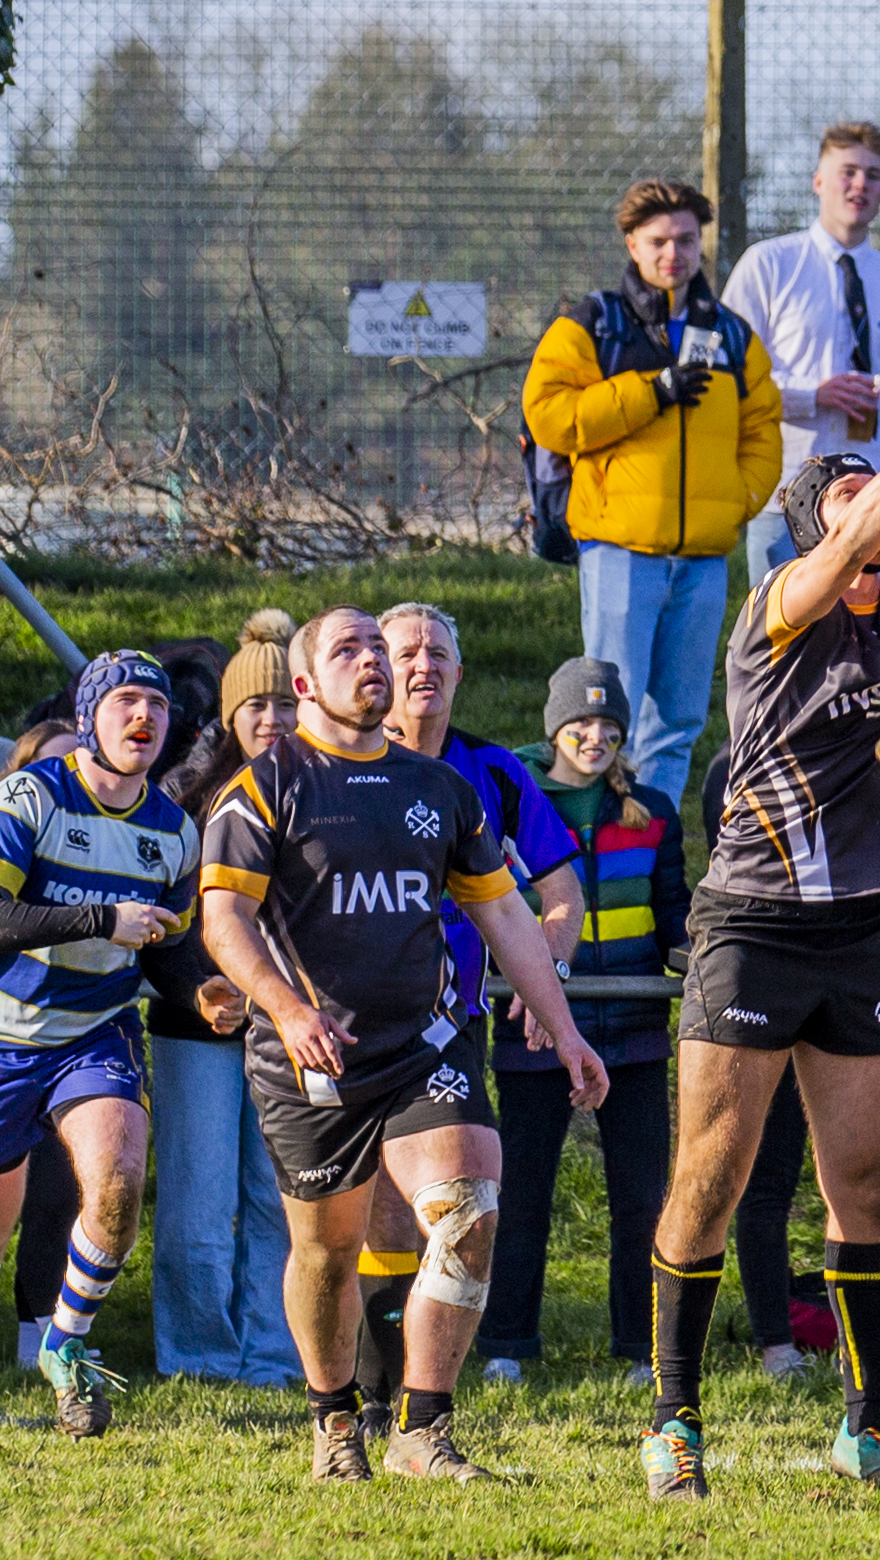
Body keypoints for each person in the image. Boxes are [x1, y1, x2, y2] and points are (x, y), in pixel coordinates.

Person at [198, 608, 606, 1483]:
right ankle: (334, 1419)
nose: (372, 661)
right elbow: (223, 919)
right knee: (325, 1254)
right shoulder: (262, 789)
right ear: (304, 683)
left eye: (374, 646)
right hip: (312, 1059)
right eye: (347, 648)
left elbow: (504, 912)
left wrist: (564, 1030)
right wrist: (285, 1006)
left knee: (469, 1210)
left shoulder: (441, 787)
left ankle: (424, 1428)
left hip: (428, 1041)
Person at [638, 421, 880, 1501]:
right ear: (816, 519)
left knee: (867, 1185)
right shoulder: (779, 602)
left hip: (859, 928)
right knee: (709, 1178)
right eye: (853, 494)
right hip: (753, 926)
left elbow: (876, 743)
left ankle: (866, 1426)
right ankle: (674, 1419)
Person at [0, 649, 193, 1451]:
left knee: (116, 1180)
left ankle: (65, 1341)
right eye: (125, 701)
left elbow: (165, 948)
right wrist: (102, 919)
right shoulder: (28, 794)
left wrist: (204, 988)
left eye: (157, 703)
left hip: (93, 1029)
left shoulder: (174, 830)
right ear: (89, 716)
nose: (142, 716)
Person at [372, 600, 577, 1408]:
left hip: (450, 1024)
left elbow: (560, 891)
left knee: (458, 1203)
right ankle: (360, 1393)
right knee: (363, 1223)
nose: (423, 665)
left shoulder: (492, 771)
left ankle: (418, 1408)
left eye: (438, 652)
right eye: (406, 652)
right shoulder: (323, 770)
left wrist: (545, 970)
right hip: (343, 1029)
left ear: (460, 671)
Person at [525, 178, 783, 795]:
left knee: (677, 722)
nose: (675, 254)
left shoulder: (733, 335)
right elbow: (549, 414)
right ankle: (597, 846)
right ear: (633, 246)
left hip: (701, 560)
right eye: (660, 241)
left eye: (687, 240)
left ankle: (657, 851)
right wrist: (652, 391)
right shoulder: (594, 324)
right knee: (604, 718)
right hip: (618, 551)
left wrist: (737, 500)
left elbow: (763, 428)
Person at [494, 655, 687, 1384]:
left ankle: (639, 1348)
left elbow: (673, 912)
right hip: (532, 1029)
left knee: (641, 1199)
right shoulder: (513, 803)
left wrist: (697, 948)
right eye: (580, 720)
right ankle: (507, 1343)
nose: (595, 734)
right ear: (554, 728)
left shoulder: (654, 808)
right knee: (520, 1195)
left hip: (635, 1028)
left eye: (608, 723)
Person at [140, 634, 293, 1392]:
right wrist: (199, 986)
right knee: (198, 1200)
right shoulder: (180, 800)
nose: (271, 718)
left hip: (292, 1023)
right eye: (255, 704)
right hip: (192, 1023)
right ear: (229, 713)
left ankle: (275, 1352)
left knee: (276, 1197)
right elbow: (164, 915)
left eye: (285, 702)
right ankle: (197, 1355)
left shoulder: (325, 787)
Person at [734, 121, 880, 568]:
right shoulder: (769, 265)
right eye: (848, 171)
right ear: (818, 181)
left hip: (870, 500)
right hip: (782, 495)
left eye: (873, 174)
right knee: (783, 633)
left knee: (869, 633)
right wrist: (812, 395)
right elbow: (733, 382)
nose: (860, 184)